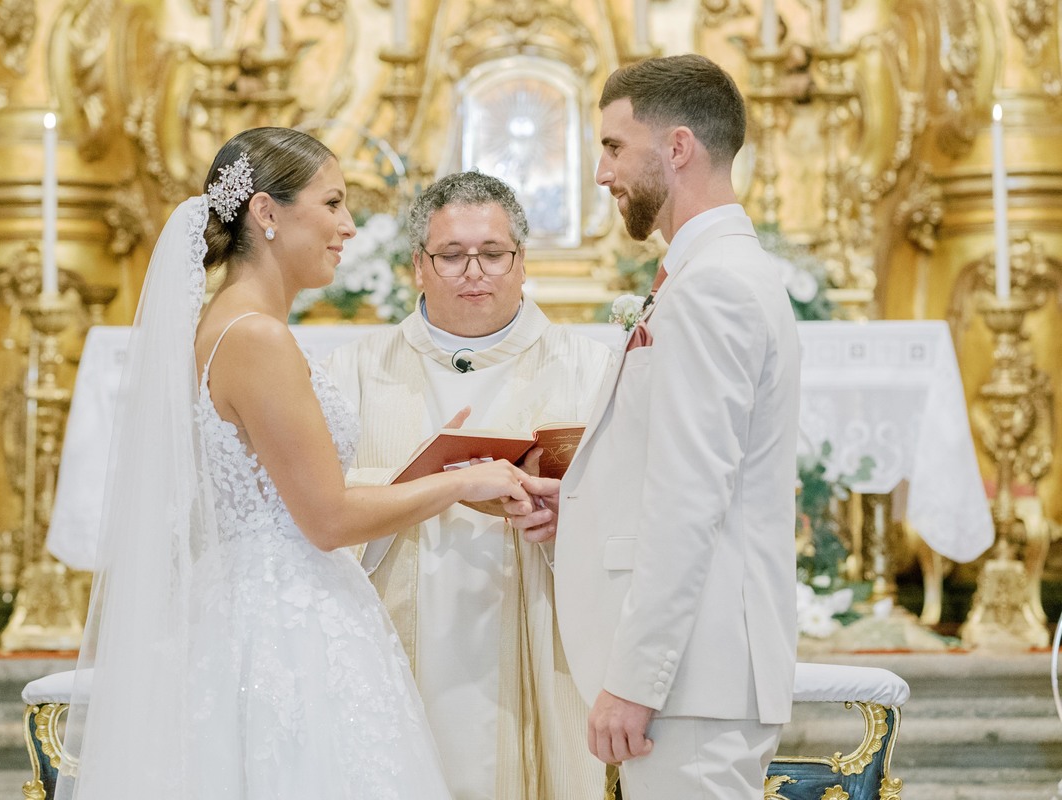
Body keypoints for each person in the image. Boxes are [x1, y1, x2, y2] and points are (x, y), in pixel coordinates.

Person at [59, 128, 532, 800]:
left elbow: (291, 493)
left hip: (254, 603)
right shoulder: (256, 338)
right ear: (266, 213)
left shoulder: (228, 324)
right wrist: (463, 481)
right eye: (333, 203)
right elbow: (328, 518)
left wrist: (427, 472)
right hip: (287, 629)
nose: (348, 225)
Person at [505, 54, 801, 799]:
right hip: (694, 677)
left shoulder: (716, 289)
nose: (601, 175)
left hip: (690, 683)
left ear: (676, 148)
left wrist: (635, 682)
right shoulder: (708, 275)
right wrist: (575, 504)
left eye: (612, 147)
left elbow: (691, 497)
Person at [323, 171, 611, 799]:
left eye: (492, 254)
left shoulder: (591, 368)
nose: (473, 270)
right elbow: (317, 503)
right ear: (418, 267)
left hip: (539, 624)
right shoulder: (356, 372)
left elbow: (639, 502)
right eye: (452, 256)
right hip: (396, 639)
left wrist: (574, 518)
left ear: (522, 261)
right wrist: (433, 479)